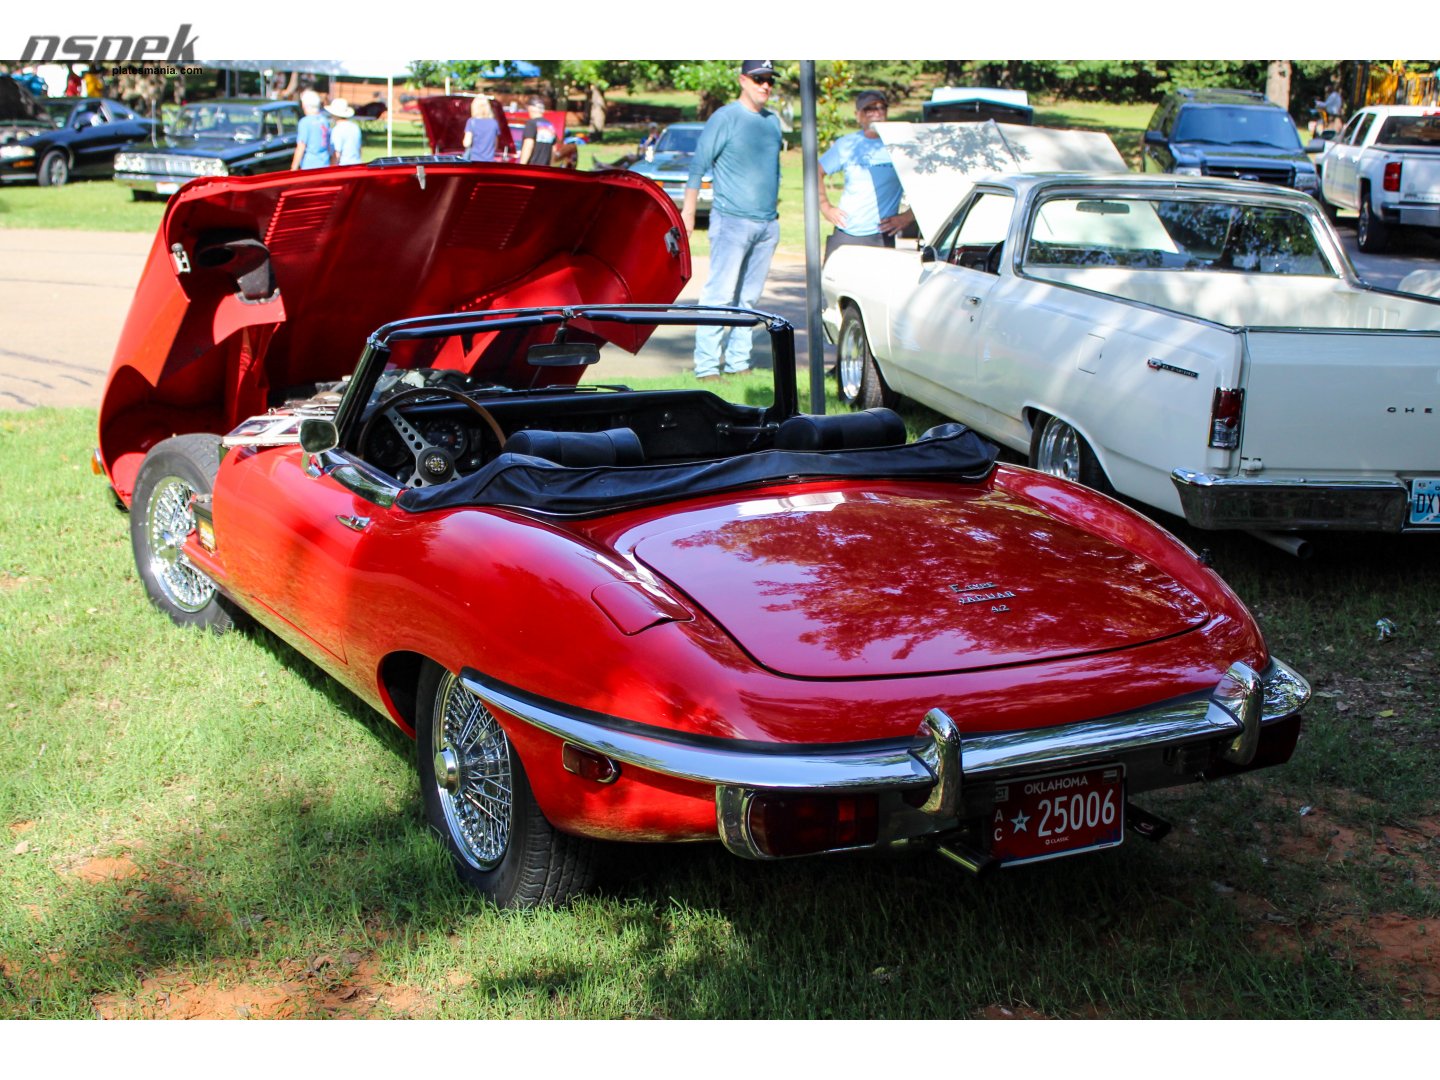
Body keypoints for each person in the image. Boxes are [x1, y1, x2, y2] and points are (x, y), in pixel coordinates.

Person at [682, 60, 784, 379]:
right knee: (719, 296)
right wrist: (688, 212)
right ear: (743, 80)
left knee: (749, 298)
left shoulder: (772, 122)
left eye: (769, 80)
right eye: (759, 79)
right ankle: (707, 367)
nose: (765, 85)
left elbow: (775, 169)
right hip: (731, 222)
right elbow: (698, 166)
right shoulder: (725, 117)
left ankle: (739, 362)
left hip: (767, 224)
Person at [817, 90, 914, 260]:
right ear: (858, 115)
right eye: (869, 109)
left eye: (881, 108)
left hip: (881, 235)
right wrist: (825, 207)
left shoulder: (900, 145)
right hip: (846, 231)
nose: (876, 113)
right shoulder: (847, 144)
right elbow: (816, 172)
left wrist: (907, 217)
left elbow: (930, 184)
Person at [290, 89, 332, 170]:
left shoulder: (305, 122)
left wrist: (293, 167)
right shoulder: (324, 120)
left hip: (310, 165)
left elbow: (301, 146)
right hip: (324, 163)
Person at [518, 98, 558, 166]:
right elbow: (554, 149)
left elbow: (529, 144)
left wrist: (522, 165)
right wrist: (551, 166)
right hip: (545, 168)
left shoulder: (531, 123)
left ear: (531, 108)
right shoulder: (549, 125)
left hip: (532, 167)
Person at [462, 94, 499, 162]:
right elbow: (495, 145)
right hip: (490, 162)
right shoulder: (494, 123)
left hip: (475, 162)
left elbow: (466, 143)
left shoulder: (471, 122)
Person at [326, 98, 362, 165]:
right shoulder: (355, 127)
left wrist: (332, 169)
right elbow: (359, 149)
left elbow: (336, 154)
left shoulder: (337, 129)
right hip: (356, 165)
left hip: (344, 167)